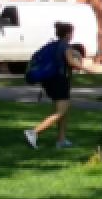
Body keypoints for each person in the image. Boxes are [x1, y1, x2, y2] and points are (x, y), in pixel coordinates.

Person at [21, 20, 83, 150]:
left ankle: (61, 140)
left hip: (50, 81)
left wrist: (75, 53)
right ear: (68, 34)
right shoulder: (65, 46)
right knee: (60, 112)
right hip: (60, 81)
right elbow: (71, 62)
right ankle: (33, 132)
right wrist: (86, 68)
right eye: (72, 33)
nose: (72, 35)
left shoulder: (55, 44)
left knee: (63, 111)